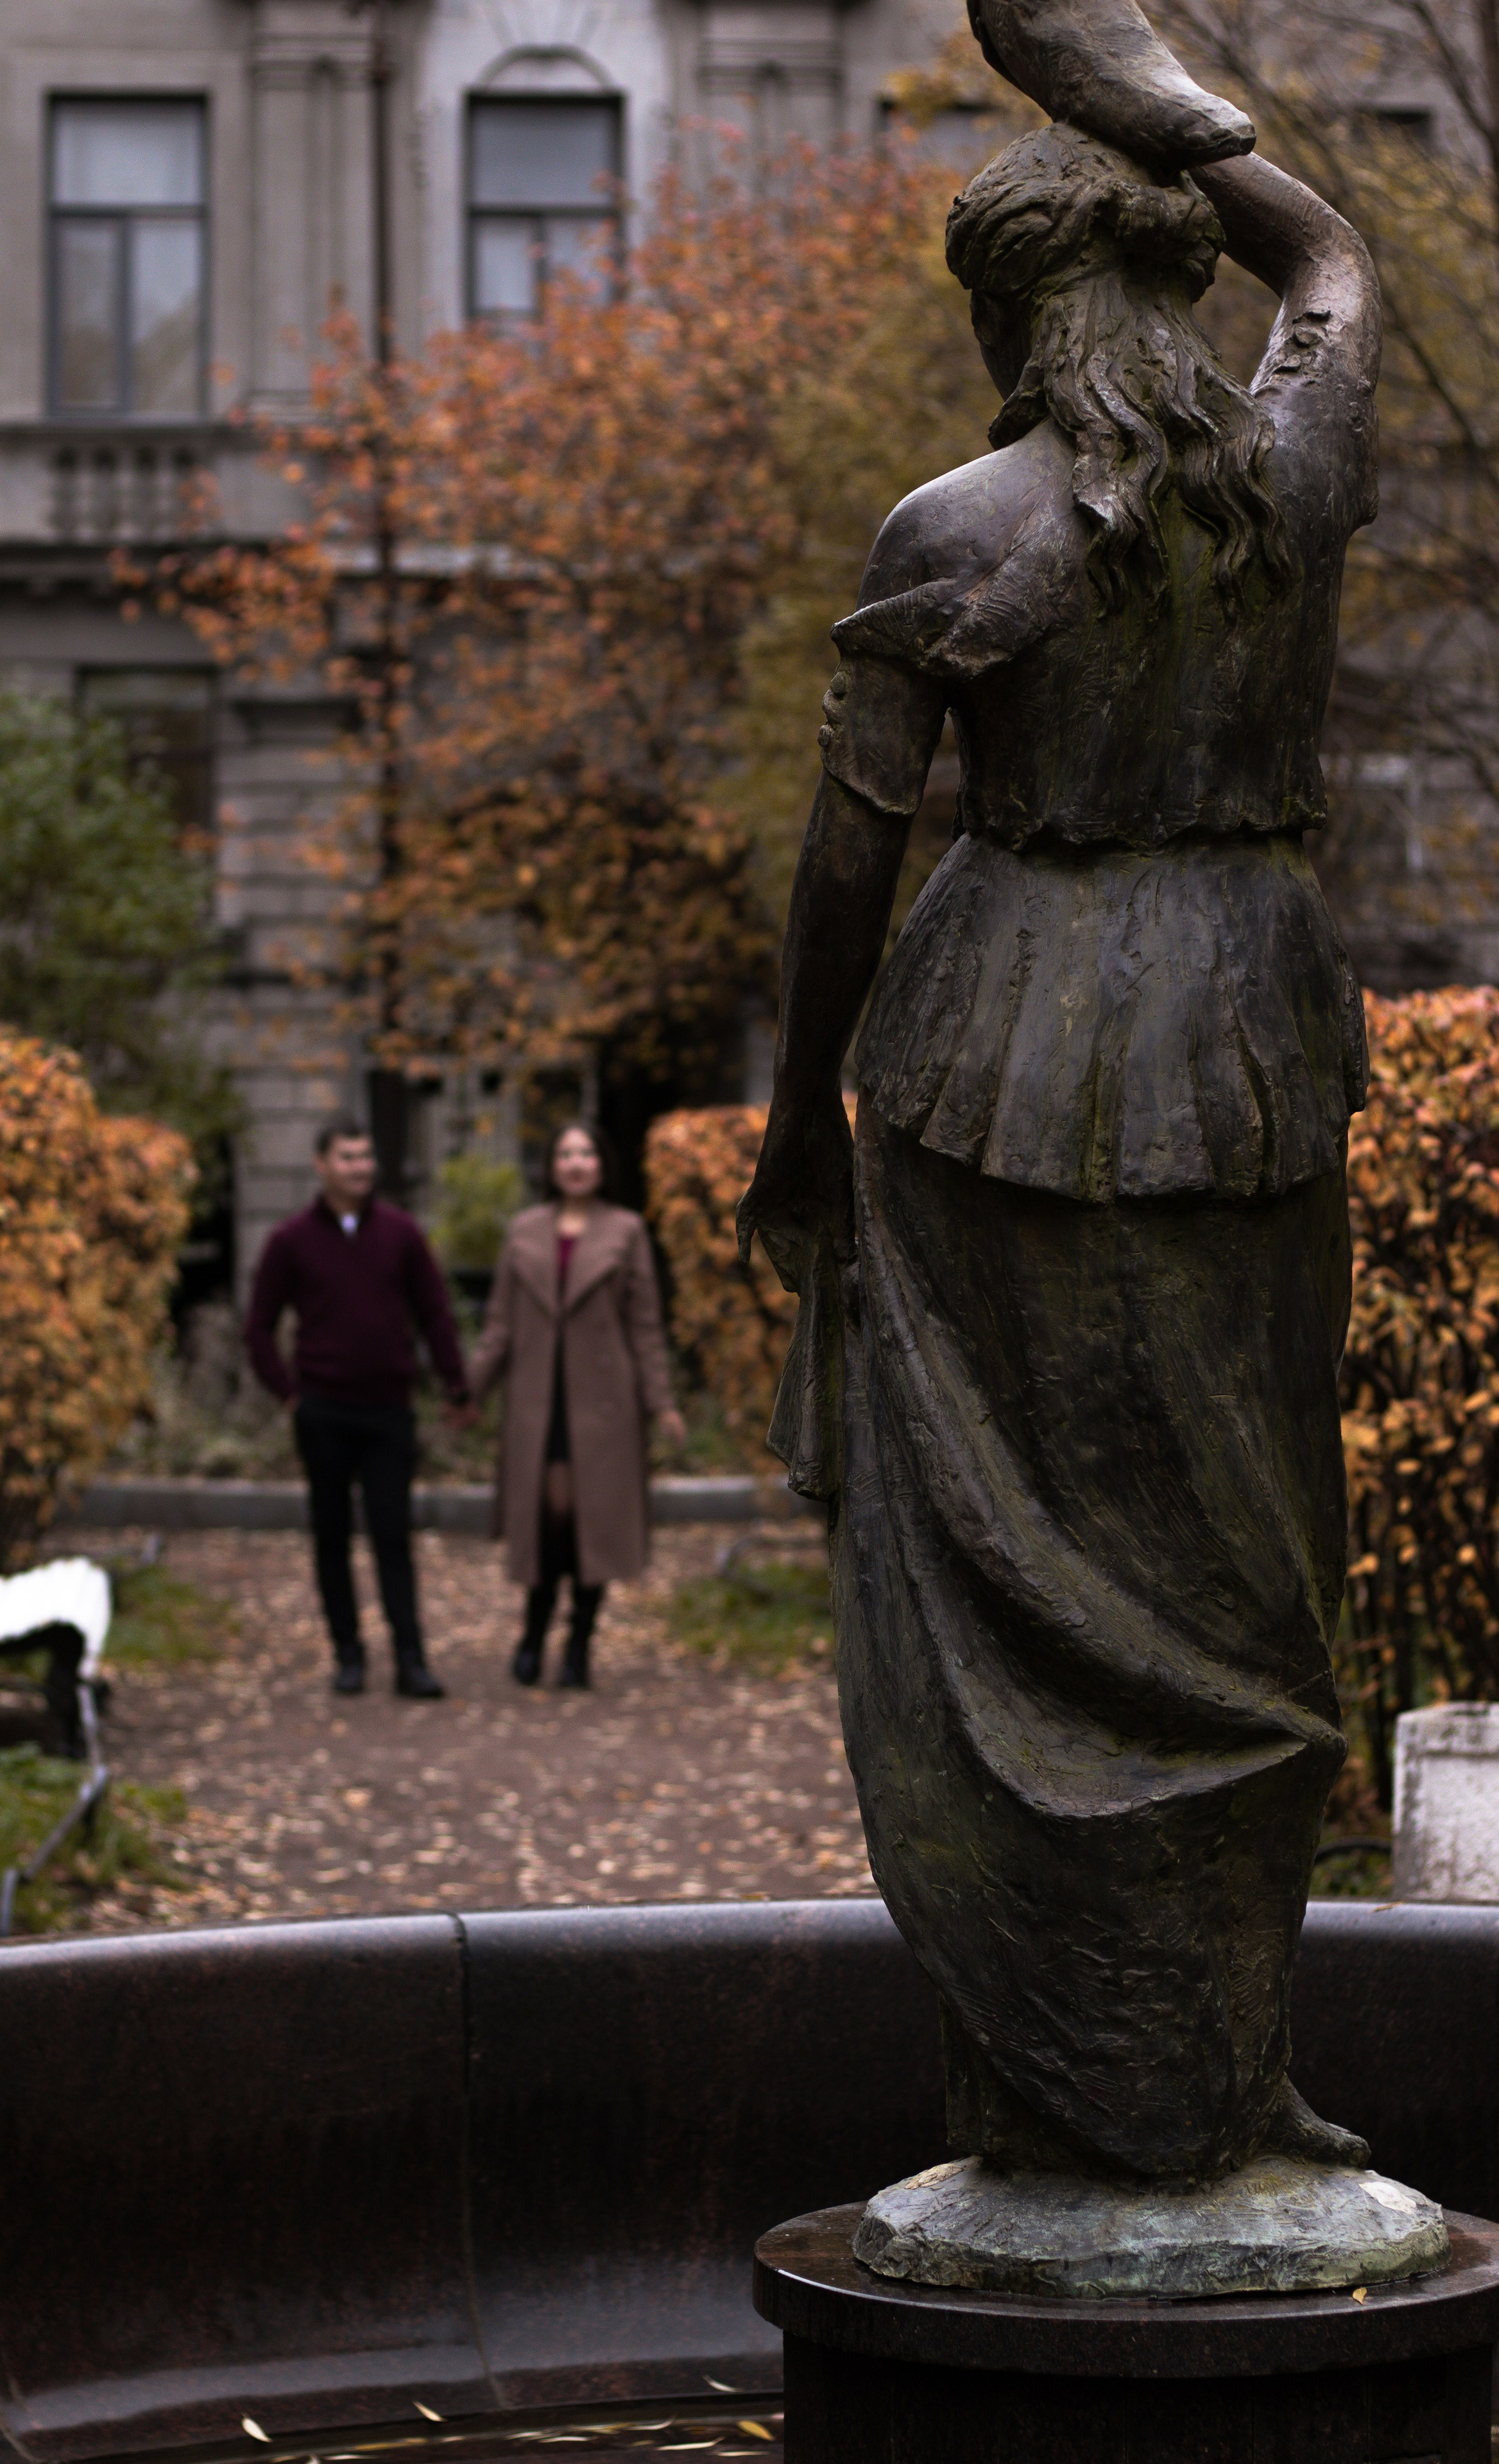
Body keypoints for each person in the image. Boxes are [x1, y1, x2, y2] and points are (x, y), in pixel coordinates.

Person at [738, 96, 1382, 2182]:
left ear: (1016, 306)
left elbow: (849, 874)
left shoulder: (955, 527)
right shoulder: (1288, 475)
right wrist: (1160, 95)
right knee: (1248, 1575)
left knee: (1011, 1581)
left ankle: (1060, 2083)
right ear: (1185, 281)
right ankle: (1205, 2071)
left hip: (997, 1059)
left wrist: (795, 1127)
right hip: (1253, 1041)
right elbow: (1342, 263)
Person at [244, 1113, 469, 1699]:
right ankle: (348, 1654)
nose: (360, 1168)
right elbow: (259, 1327)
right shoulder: (291, 1240)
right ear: (321, 1165)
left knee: (394, 1537)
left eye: (366, 1157)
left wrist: (455, 1385)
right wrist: (289, 1393)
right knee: (332, 1536)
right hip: (322, 1411)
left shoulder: (401, 1233)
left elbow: (435, 1314)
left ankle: (410, 1658)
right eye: (347, 1158)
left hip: (388, 1411)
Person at [464, 1124, 685, 1690]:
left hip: (605, 1407)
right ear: (551, 1165)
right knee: (547, 1520)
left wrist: (661, 1404)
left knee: (595, 1524)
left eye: (587, 1151)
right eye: (566, 1152)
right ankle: (534, 1634)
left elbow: (645, 1326)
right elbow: (498, 1327)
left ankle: (581, 1643)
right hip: (537, 1405)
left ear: (603, 1164)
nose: (577, 1162)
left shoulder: (626, 1230)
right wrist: (468, 1390)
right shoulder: (523, 1231)